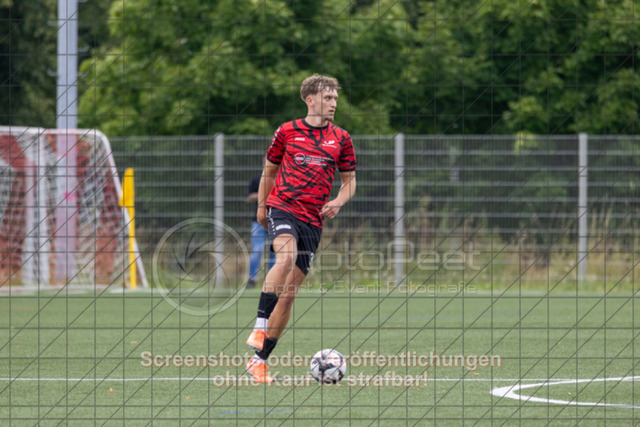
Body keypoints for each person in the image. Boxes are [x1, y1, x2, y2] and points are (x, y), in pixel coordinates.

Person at [245, 74, 357, 383]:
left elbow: (350, 182)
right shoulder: (287, 131)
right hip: (283, 206)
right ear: (310, 99)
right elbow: (269, 172)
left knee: (289, 295)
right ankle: (259, 327)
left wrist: (338, 201)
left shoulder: (342, 138)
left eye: (335, 98)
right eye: (328, 98)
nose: (333, 103)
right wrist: (262, 208)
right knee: (285, 257)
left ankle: (258, 361)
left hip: (313, 219)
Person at [246, 174, 275, 288]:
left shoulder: (281, 178)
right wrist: (263, 193)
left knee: (274, 252)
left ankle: (271, 280)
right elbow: (249, 198)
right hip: (258, 222)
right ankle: (252, 279)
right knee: (256, 250)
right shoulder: (257, 180)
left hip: (276, 222)